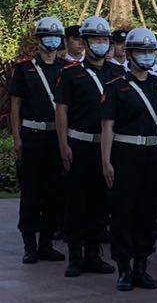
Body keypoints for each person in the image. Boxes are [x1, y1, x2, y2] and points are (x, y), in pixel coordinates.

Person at [99, 27, 157, 291]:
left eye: (151, 51)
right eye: (141, 51)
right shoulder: (116, 86)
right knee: (123, 212)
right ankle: (124, 268)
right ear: (129, 54)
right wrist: (106, 161)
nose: (147, 56)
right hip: (125, 153)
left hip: (154, 153)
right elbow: (107, 126)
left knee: (147, 212)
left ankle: (142, 266)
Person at [55, 15, 123, 277]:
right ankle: (75, 256)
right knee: (76, 202)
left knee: (100, 202)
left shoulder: (117, 73)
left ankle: (94, 255)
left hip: (107, 148)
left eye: (104, 39)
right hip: (79, 144)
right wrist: (63, 144)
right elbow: (62, 110)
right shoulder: (71, 73)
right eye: (95, 39)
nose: (100, 44)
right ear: (84, 42)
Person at [9, 16, 68, 264]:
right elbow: (15, 105)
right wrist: (16, 137)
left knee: (54, 192)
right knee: (31, 192)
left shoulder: (67, 69)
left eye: (56, 36)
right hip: (32, 136)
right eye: (47, 36)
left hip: (57, 137)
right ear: (39, 39)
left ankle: (46, 243)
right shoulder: (25, 69)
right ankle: (29, 245)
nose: (51, 40)